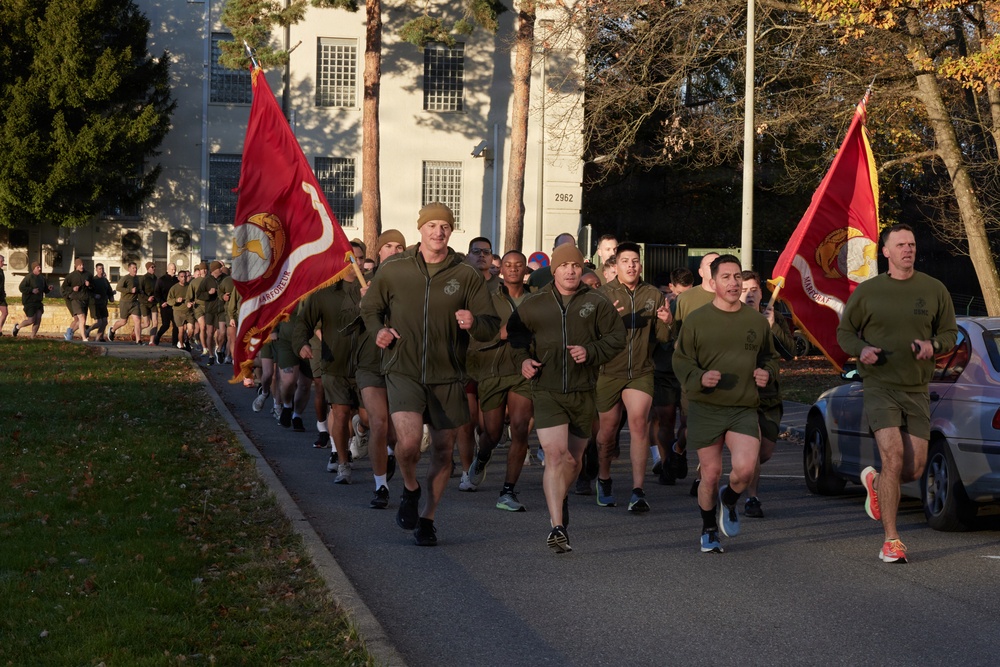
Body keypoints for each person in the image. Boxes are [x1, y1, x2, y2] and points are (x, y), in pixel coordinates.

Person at [360, 202, 500, 546]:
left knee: (442, 451)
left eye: (445, 226)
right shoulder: (394, 269)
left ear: (451, 231)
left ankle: (427, 518)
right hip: (403, 368)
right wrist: (379, 330)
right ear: (420, 229)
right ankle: (410, 487)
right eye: (432, 225)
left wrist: (474, 322)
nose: (438, 232)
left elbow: (490, 326)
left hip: (448, 375)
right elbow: (370, 308)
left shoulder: (465, 274)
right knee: (408, 444)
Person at [836, 223, 957, 564]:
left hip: (917, 388)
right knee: (893, 457)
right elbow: (845, 333)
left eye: (912, 244)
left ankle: (876, 485)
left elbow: (949, 333)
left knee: (914, 469)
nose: (908, 249)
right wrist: (862, 349)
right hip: (880, 386)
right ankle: (891, 540)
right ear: (886, 251)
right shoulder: (869, 292)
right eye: (901, 245)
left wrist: (933, 345)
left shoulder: (934, 289)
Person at [508, 243, 626, 552]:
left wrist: (591, 351)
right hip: (546, 390)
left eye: (575, 265)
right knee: (555, 455)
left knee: (573, 461)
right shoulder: (534, 303)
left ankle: (560, 498)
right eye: (564, 266)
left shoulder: (596, 302)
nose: (571, 271)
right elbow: (516, 337)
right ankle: (557, 526)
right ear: (554, 270)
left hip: (583, 391)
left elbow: (616, 338)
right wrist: (523, 360)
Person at [672, 254, 775, 554]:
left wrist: (767, 372)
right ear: (713, 282)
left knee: (744, 470)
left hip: (743, 406)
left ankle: (728, 500)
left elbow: (769, 357)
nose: (733, 283)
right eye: (726, 277)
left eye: (737, 277)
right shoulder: (697, 320)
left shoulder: (756, 321)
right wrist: (699, 377)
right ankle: (708, 529)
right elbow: (681, 360)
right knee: (711, 472)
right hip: (706, 407)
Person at [594, 242, 672, 512]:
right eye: (625, 261)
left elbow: (663, 339)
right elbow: (591, 336)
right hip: (608, 371)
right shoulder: (602, 295)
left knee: (639, 423)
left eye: (635, 261)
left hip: (641, 371)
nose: (631, 265)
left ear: (641, 265)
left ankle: (638, 490)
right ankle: (603, 478)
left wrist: (667, 321)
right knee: (607, 432)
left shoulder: (653, 294)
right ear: (615, 265)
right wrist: (609, 322)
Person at [463, 250, 536, 511]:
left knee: (519, 428)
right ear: (501, 269)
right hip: (492, 372)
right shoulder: (488, 299)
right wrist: (500, 335)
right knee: (492, 434)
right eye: (508, 265)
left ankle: (508, 491)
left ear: (525, 270)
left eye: (519, 265)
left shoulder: (537, 299)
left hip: (523, 372)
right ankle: (482, 458)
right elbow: (473, 338)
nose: (513, 268)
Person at [739, 270, 795, 517]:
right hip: (743, 396)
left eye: (754, 290)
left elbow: (790, 353)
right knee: (753, 447)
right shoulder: (732, 316)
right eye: (744, 290)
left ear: (762, 293)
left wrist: (772, 327)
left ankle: (742, 470)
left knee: (765, 452)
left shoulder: (774, 316)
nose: (749, 295)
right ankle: (752, 498)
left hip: (769, 396)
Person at [458, 236, 500, 491]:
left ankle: (481, 457)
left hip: (494, 360)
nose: (481, 255)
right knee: (467, 420)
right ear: (468, 256)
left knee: (490, 430)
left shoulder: (501, 287)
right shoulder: (458, 285)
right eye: (476, 251)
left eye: (486, 252)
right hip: (465, 360)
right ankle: (466, 471)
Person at [651, 267, 694, 485]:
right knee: (665, 420)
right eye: (680, 292)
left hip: (686, 372)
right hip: (665, 370)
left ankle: (678, 451)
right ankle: (668, 463)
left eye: (689, 291)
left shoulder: (698, 305)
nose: (683, 296)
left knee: (688, 422)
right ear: (671, 287)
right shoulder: (663, 305)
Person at [13, 262, 52, 338]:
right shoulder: (29, 277)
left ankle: (32, 337)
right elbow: (21, 287)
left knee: (38, 319)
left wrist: (49, 288)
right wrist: (31, 290)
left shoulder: (42, 278)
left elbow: (45, 289)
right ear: (34, 268)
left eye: (40, 267)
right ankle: (17, 327)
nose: (40, 269)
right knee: (31, 320)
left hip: (38, 302)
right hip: (29, 302)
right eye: (38, 267)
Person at [109, 261, 142, 344]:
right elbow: (118, 288)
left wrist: (140, 291)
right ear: (129, 269)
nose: (135, 270)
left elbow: (137, 289)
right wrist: (130, 290)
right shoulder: (125, 278)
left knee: (138, 321)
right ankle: (112, 330)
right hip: (125, 302)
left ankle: (138, 340)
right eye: (133, 268)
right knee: (123, 321)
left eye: (136, 268)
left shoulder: (137, 278)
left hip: (134, 303)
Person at [62, 258, 91, 342]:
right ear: (76, 266)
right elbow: (64, 287)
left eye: (82, 265)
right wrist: (72, 289)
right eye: (80, 265)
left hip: (84, 299)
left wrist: (89, 285)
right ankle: (84, 338)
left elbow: (93, 287)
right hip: (75, 299)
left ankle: (69, 333)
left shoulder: (88, 274)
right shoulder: (71, 276)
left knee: (80, 321)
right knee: (81, 319)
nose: (82, 266)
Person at [85, 263, 115, 342]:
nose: (101, 270)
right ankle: (88, 329)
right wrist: (94, 295)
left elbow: (109, 290)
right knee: (99, 322)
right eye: (99, 269)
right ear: (96, 270)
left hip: (103, 303)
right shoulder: (93, 280)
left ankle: (97, 339)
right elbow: (88, 291)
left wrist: (111, 296)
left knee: (104, 322)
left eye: (102, 268)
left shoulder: (105, 280)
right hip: (95, 304)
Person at [152, 262, 180, 346]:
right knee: (166, 325)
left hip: (175, 306)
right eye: (172, 269)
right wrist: (161, 302)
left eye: (175, 269)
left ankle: (174, 343)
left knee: (176, 325)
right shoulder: (161, 280)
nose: (174, 271)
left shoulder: (177, 280)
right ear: (167, 270)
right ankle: (157, 337)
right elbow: (157, 293)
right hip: (165, 306)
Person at [139, 261, 159, 341]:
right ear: (148, 268)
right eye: (152, 267)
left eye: (154, 267)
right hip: (144, 303)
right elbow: (140, 291)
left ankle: (151, 341)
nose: (154, 269)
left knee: (155, 322)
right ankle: (136, 329)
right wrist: (147, 298)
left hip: (153, 303)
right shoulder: (143, 278)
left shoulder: (156, 278)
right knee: (146, 323)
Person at [0, 254, 8, 335]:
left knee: (5, 312)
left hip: (1, 296)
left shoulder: (1, 271)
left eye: (3, 261)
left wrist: (3, 292)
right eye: (1, 261)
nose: (3, 263)